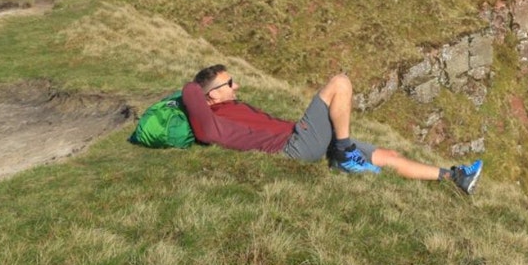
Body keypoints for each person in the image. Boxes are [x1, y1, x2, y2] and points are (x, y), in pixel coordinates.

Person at [181, 64, 482, 194]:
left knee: (386, 154)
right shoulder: (214, 121)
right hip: (292, 148)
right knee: (340, 82)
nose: (237, 86)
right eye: (229, 83)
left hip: (298, 138)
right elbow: (202, 123)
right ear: (211, 95)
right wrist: (191, 88)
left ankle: (454, 176)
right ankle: (344, 153)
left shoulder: (230, 106)